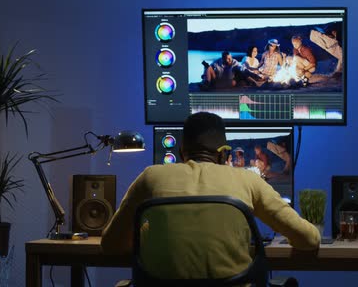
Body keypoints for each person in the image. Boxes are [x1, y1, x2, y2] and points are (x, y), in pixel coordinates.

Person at [101, 112, 320, 277]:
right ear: (225, 154)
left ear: (180, 153)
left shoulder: (150, 177)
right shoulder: (248, 180)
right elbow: (309, 240)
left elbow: (111, 245)